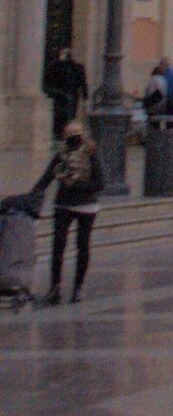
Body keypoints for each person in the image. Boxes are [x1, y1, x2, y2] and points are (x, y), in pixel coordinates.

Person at [31, 119, 103, 306]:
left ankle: (77, 288)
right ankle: (55, 288)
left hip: (86, 206)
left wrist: (77, 186)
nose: (72, 140)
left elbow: (100, 183)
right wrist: (30, 197)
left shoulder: (91, 152)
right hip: (63, 204)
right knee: (58, 245)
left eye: (75, 135)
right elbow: (47, 177)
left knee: (82, 245)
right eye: (69, 136)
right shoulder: (61, 153)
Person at [42, 47, 86, 144]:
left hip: (71, 94)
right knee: (61, 115)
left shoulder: (77, 66)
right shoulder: (56, 66)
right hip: (60, 94)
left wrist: (85, 95)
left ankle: (68, 134)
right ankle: (61, 134)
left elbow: (82, 81)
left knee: (69, 115)